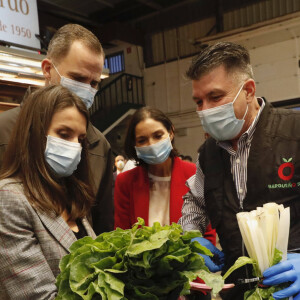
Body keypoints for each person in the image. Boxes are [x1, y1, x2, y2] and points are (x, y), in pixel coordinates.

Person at [179, 41, 300, 299]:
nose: (205, 110)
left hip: (291, 287)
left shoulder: (295, 133)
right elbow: (195, 203)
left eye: (215, 97)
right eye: (199, 101)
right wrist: (190, 237)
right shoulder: (208, 154)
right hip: (238, 289)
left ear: (248, 90)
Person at [0, 24, 113, 235]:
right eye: (78, 79)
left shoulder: (99, 145)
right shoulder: (4, 131)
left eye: (94, 83)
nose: (86, 90)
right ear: (47, 69)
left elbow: (102, 225)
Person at [0, 85, 96, 299]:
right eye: (63, 134)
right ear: (33, 134)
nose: (75, 147)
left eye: (80, 139)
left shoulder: (71, 194)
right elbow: (37, 296)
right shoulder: (9, 198)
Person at [114, 107, 216, 245]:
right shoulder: (125, 182)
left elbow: (208, 233)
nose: (151, 144)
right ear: (134, 144)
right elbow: (122, 238)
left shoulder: (195, 174)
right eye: (142, 140)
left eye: (157, 136)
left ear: (171, 132)